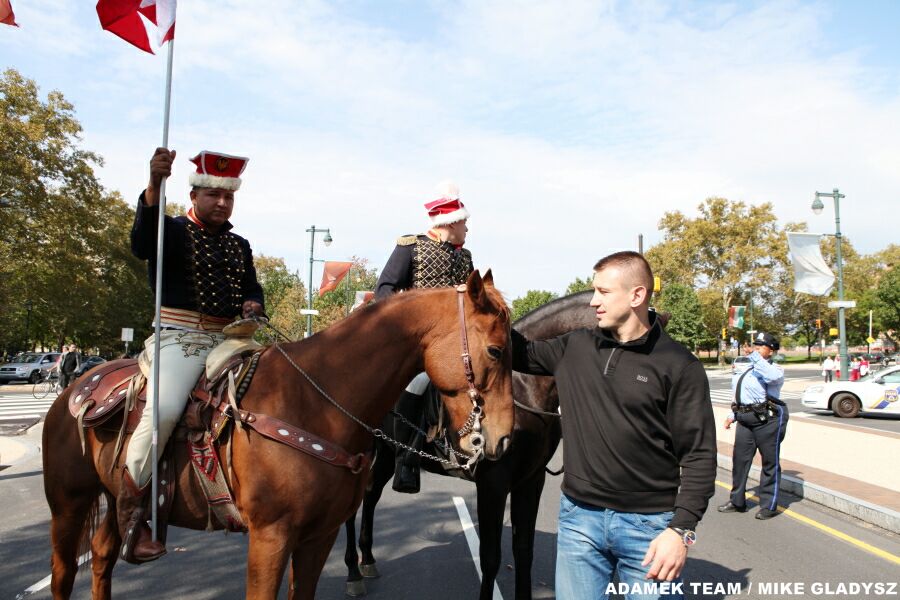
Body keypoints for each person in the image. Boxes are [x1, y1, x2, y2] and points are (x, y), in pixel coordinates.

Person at [511, 251, 717, 599]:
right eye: (594, 291)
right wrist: (471, 305)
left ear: (637, 295)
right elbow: (514, 352)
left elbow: (699, 456)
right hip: (579, 521)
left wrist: (682, 532)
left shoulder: (679, 365)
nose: (593, 302)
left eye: (604, 292)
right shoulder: (574, 347)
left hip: (650, 529)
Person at [122, 147, 265, 563]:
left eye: (229, 197)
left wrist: (253, 304)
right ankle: (132, 516)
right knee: (164, 411)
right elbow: (140, 243)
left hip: (230, 339)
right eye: (213, 196)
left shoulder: (240, 244)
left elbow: (251, 288)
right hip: (178, 337)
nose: (222, 203)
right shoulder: (170, 230)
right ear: (195, 196)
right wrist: (153, 185)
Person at [375, 181, 474, 493]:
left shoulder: (465, 256)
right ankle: (406, 459)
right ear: (449, 222)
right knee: (418, 383)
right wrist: (403, 322)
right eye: (464, 223)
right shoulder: (410, 247)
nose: (467, 229)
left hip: (455, 342)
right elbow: (385, 289)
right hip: (417, 342)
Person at [719, 332, 787, 521]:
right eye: (756, 345)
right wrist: (732, 415)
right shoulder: (748, 368)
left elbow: (771, 377)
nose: (756, 348)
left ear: (771, 351)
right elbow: (739, 393)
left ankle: (769, 505)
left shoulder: (774, 369)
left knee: (769, 463)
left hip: (767, 420)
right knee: (740, 461)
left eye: (761, 346)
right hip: (745, 418)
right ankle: (737, 501)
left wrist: (755, 357)